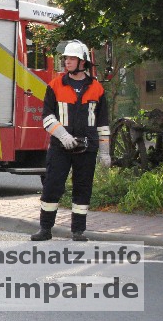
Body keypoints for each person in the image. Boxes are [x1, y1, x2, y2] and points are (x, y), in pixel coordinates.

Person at [31, 40, 111, 242]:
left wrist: (105, 152)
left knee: (83, 188)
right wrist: (63, 135)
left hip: (88, 148)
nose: (67, 61)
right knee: (52, 185)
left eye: (72, 58)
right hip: (60, 147)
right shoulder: (55, 85)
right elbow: (47, 117)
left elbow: (103, 123)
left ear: (82, 62)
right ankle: (45, 229)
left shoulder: (97, 89)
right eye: (66, 58)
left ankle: (78, 231)